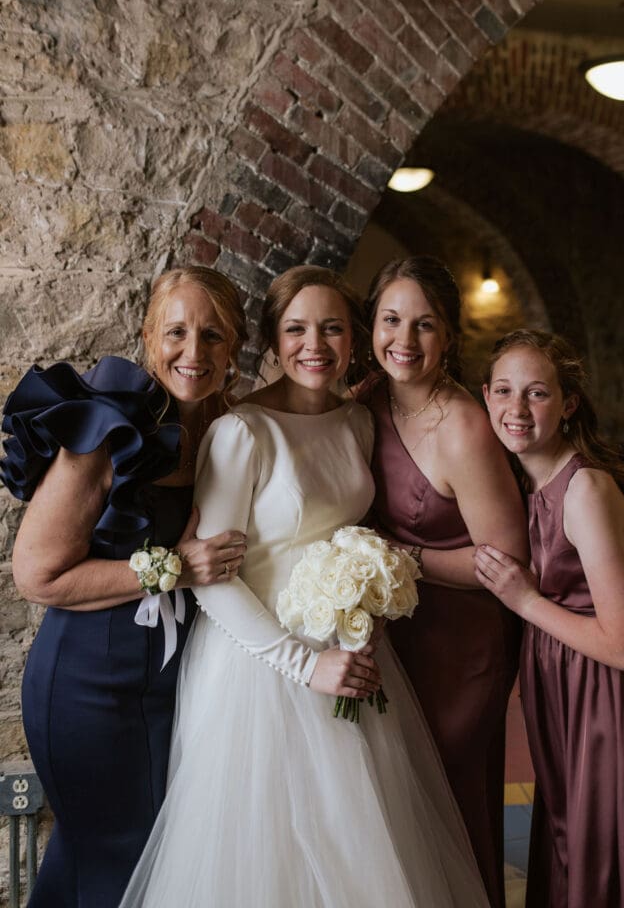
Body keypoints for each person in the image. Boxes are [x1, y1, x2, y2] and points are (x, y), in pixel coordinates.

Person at [119, 265, 490, 908]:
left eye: (332, 328)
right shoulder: (243, 432)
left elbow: (352, 533)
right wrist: (305, 663)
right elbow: (212, 582)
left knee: (359, 848)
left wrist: (366, 609)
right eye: (296, 329)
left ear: (354, 340)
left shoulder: (357, 423)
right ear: (272, 339)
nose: (313, 344)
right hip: (260, 670)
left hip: (353, 656)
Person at [1, 266, 248, 908]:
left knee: (114, 859)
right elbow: (38, 573)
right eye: (177, 332)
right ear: (147, 337)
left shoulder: (231, 426)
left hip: (171, 686)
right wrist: (175, 567)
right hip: (86, 686)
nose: (193, 353)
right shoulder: (109, 433)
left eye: (214, 336)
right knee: (119, 857)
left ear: (236, 350)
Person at [475, 329, 624, 908]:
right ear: (485, 395)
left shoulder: (585, 489)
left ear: (567, 403)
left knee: (601, 873)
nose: (516, 409)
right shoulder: (528, 481)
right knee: (568, 857)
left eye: (537, 393)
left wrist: (525, 601)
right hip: (568, 695)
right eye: (505, 391)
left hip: (611, 703)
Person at [358, 255, 528, 908]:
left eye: (424, 325)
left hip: (464, 648)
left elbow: (505, 561)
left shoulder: (464, 427)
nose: (405, 340)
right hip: (395, 642)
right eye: (391, 319)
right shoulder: (363, 403)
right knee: (394, 806)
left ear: (450, 337)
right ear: (370, 325)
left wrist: (395, 556)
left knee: (451, 804)